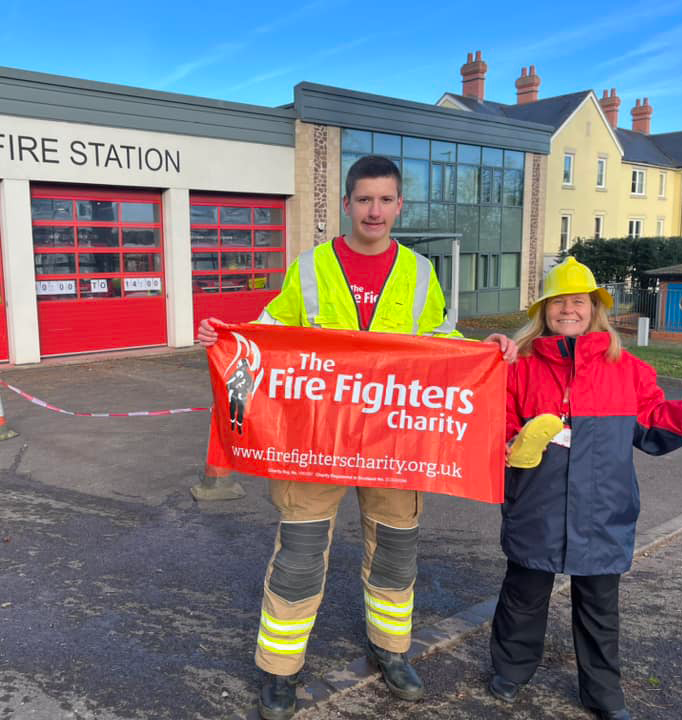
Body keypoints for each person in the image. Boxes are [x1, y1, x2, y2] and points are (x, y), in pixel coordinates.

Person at [198, 154, 517, 720]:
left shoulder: (420, 273)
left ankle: (391, 650)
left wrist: (482, 349)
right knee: (298, 555)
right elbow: (272, 333)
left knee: (395, 551)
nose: (374, 209)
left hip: (396, 443)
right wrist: (227, 337)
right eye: (364, 199)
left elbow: (440, 344)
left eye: (385, 199)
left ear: (399, 206)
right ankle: (279, 670)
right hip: (315, 440)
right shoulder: (311, 267)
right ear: (346, 204)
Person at [489, 257, 682, 720]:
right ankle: (511, 671)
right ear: (544, 310)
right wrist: (511, 440)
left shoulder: (630, 370)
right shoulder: (517, 367)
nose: (568, 310)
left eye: (577, 301)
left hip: (603, 509)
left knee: (600, 608)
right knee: (523, 595)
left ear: (593, 308)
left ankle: (603, 693)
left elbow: (654, 424)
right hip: (535, 505)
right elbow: (494, 421)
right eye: (558, 302)